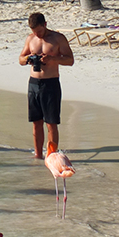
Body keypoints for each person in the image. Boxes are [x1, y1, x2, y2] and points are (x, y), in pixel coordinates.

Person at [19, 12, 74, 159]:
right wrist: (28, 59)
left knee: (51, 123)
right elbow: (20, 59)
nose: (37, 34)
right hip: (34, 83)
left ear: (45, 24)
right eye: (34, 31)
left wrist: (53, 59)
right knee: (36, 122)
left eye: (39, 31)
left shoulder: (58, 38)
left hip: (50, 83)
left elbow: (70, 60)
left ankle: (52, 156)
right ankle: (38, 155)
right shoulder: (30, 39)